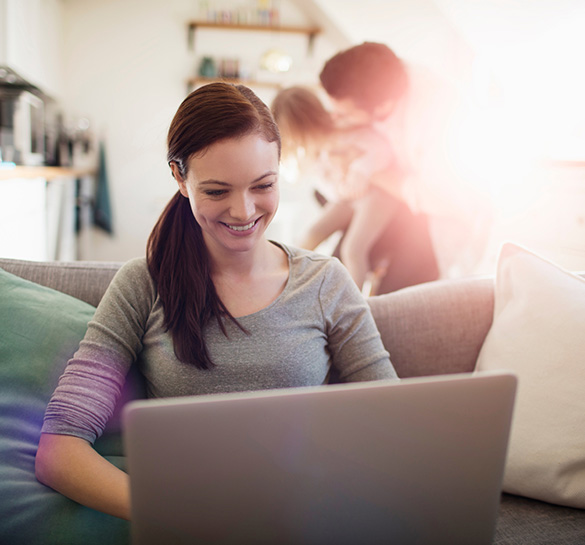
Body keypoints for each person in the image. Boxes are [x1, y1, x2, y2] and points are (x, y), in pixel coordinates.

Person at [34, 83, 398, 521]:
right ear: (179, 178)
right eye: (217, 191)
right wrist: (175, 514)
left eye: (263, 185)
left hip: (304, 514)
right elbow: (59, 450)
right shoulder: (142, 284)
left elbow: (392, 421)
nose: (244, 212)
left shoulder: (326, 281)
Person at [319, 42, 492, 278]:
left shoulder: (439, 117)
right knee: (337, 256)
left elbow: (437, 198)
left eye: (344, 114)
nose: (335, 118)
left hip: (441, 217)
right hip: (395, 196)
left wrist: (370, 171)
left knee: (389, 278)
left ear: (383, 107)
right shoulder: (375, 80)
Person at [272, 85, 439, 294]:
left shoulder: (344, 132)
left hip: (377, 195)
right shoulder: (317, 153)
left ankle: (354, 302)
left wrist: (359, 171)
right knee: (310, 234)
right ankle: (284, 287)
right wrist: (340, 184)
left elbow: (380, 150)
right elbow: (330, 190)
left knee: (353, 248)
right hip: (350, 197)